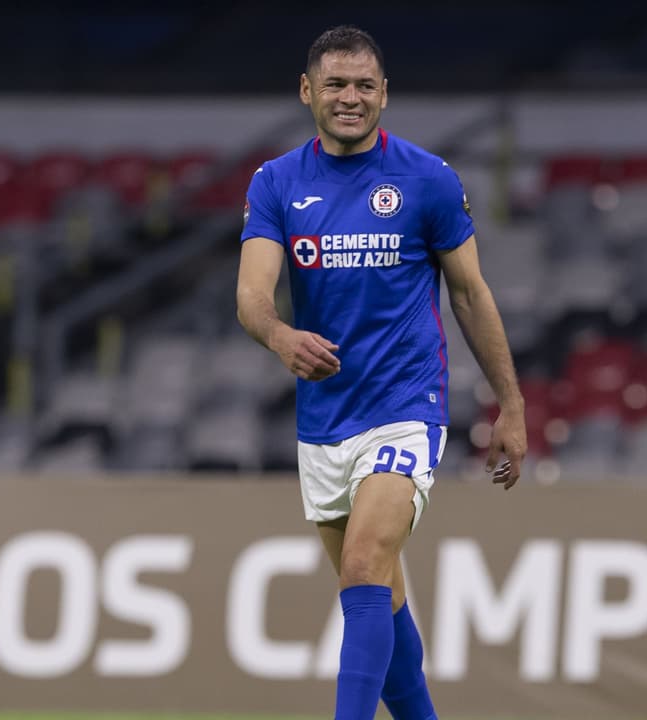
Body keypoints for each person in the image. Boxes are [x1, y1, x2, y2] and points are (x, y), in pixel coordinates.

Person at [235, 25, 526, 720]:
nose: (350, 97)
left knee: (363, 568)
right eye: (335, 84)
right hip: (324, 419)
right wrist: (279, 335)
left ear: (385, 94)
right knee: (380, 595)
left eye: (365, 85)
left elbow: (470, 294)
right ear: (306, 91)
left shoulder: (428, 179)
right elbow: (251, 294)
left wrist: (511, 404)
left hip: (405, 407)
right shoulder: (276, 183)